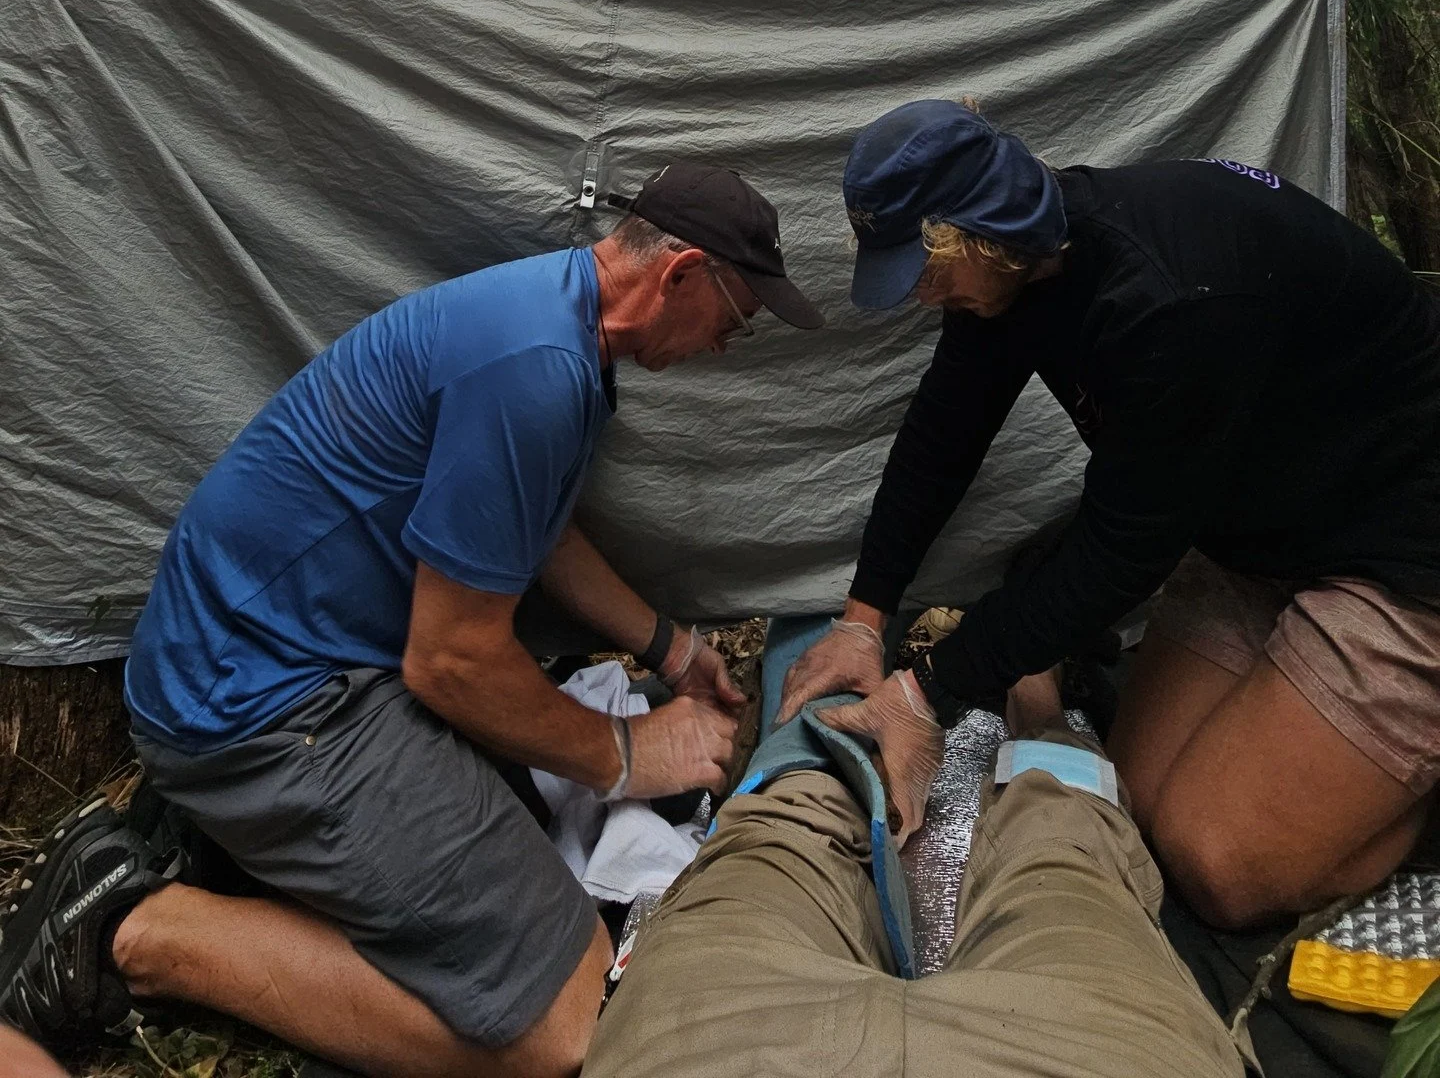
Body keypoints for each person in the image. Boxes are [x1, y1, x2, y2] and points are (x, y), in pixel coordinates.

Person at [0, 161, 823, 1078]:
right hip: (261, 714)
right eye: (736, 320)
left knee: (520, 838)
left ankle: (237, 856)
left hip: (265, 666)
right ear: (678, 276)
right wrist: (628, 757)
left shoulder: (551, 324)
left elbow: (535, 531)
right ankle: (130, 927)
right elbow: (453, 665)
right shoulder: (538, 369)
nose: (724, 348)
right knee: (575, 1026)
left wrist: (672, 651)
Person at [780, 97, 1440, 929]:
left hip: (1406, 557)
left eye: (928, 274)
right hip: (1260, 536)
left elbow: (1122, 551)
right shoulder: (1013, 277)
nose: (919, 296)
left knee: (1218, 868)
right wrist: (862, 618)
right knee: (1144, 793)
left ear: (981, 236)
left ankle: (1406, 782)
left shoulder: (1167, 300)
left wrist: (925, 694)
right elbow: (941, 436)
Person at [584, 663, 1248, 1078]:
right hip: (1100, 1054)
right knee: (1067, 850)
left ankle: (828, 686)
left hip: (712, 1051)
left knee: (780, 831)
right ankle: (1037, 712)